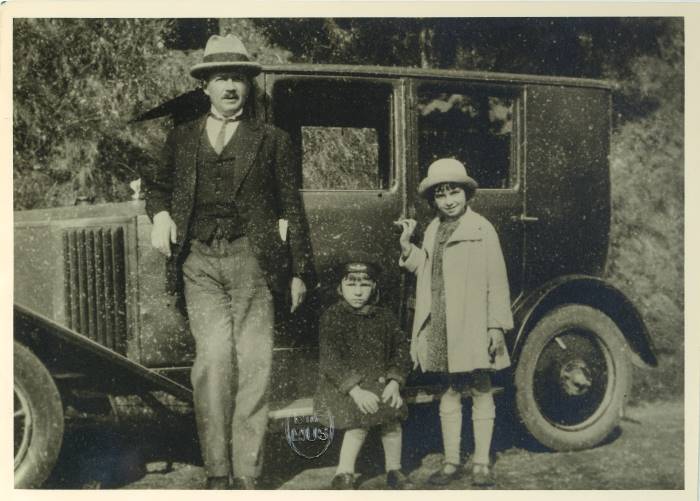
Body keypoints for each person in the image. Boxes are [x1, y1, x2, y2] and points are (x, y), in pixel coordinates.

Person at [142, 34, 314, 490]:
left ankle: (247, 474)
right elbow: (157, 187)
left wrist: (299, 270)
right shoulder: (181, 138)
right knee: (214, 361)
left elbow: (292, 207)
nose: (230, 87)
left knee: (255, 365)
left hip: (252, 262)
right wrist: (159, 215)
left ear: (248, 85)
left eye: (237, 77)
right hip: (198, 263)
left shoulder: (272, 140)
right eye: (221, 78)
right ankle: (217, 472)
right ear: (206, 87)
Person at [396, 158, 513, 487]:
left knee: (480, 386)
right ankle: (451, 461)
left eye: (455, 192)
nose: (448, 200)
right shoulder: (433, 229)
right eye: (441, 195)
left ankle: (480, 461)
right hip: (443, 322)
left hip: (473, 322)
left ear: (467, 194)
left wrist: (495, 326)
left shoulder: (481, 229)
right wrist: (408, 249)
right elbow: (428, 270)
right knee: (447, 388)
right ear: (433, 199)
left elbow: (497, 279)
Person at [314, 252, 414, 490]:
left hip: (378, 383)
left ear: (374, 287)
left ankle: (394, 469)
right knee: (359, 420)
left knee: (392, 411)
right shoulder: (333, 317)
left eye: (365, 285)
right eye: (351, 285)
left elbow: (401, 351)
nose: (358, 292)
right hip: (343, 388)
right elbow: (331, 360)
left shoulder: (385, 317)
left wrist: (394, 382)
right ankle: (344, 473)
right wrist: (355, 391)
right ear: (340, 288)